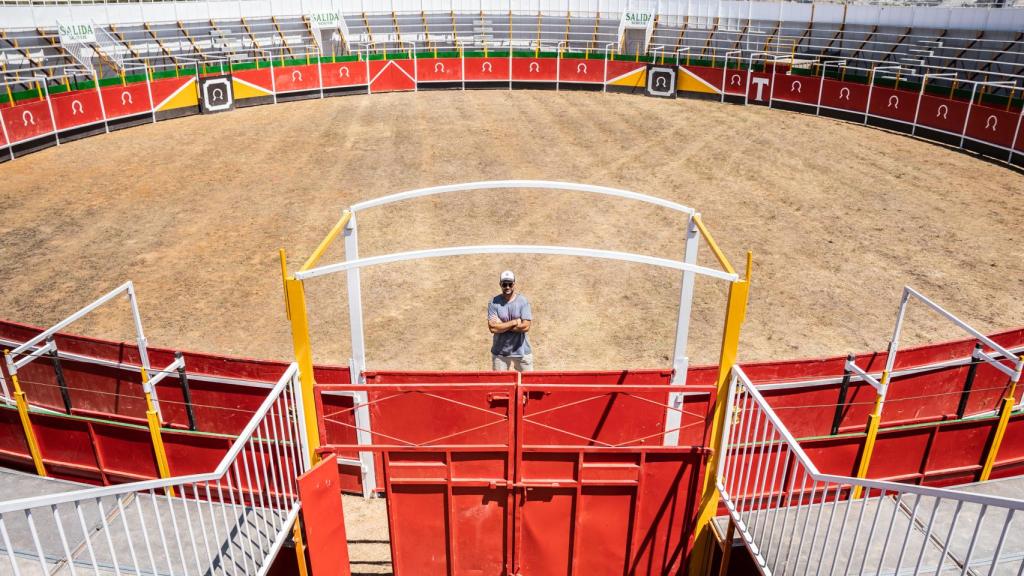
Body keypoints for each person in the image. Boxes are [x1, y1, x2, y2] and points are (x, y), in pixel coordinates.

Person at [487, 270, 533, 371]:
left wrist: (501, 325)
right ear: (500, 284)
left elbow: (526, 326)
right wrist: (515, 322)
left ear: (514, 284)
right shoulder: (493, 302)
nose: (507, 287)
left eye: (510, 284)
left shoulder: (523, 301)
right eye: (504, 284)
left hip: (522, 351)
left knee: (528, 384)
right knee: (500, 385)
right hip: (500, 353)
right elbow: (493, 328)